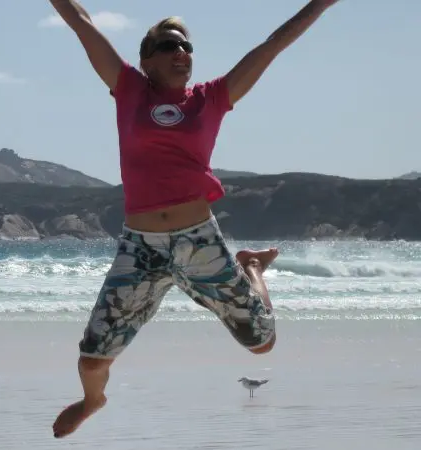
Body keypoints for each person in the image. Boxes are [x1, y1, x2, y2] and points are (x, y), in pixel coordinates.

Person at [46, 0, 340, 439]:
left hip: (198, 241)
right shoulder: (129, 88)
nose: (180, 52)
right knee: (90, 360)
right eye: (168, 45)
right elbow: (81, 21)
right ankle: (94, 400)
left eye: (186, 46)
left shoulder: (211, 98)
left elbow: (272, 45)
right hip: (140, 247)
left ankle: (253, 267)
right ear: (147, 59)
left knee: (262, 343)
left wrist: (320, 4)